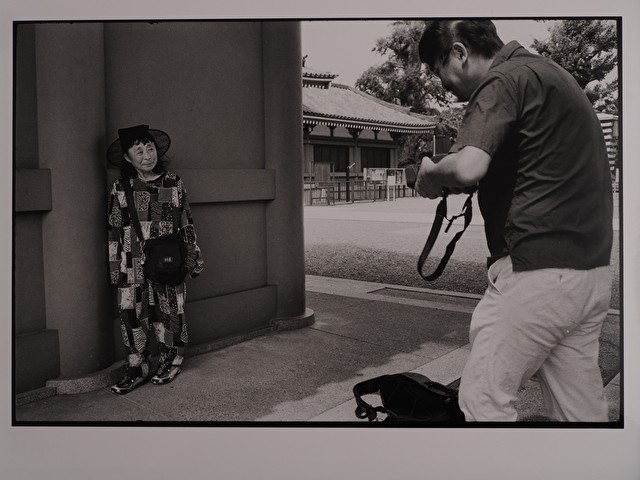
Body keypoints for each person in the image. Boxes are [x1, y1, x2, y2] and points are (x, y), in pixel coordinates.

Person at [415, 20, 613, 421]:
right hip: (590, 274)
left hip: (537, 273)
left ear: (459, 52)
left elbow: (469, 167)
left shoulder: (503, 78)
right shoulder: (551, 75)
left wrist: (429, 174)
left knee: (483, 399)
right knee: (580, 412)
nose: (445, 88)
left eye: (441, 74)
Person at [107, 124, 204, 394]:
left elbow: (186, 221)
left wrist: (193, 259)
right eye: (139, 151)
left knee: (170, 311)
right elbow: (115, 229)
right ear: (128, 157)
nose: (147, 155)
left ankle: (170, 360)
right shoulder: (121, 187)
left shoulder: (173, 183)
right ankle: (137, 365)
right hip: (131, 262)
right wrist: (116, 270)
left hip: (168, 260)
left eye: (150, 148)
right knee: (132, 316)